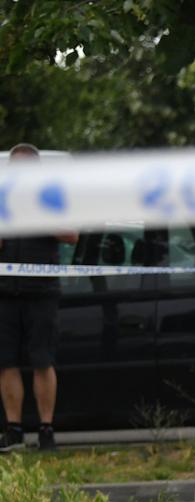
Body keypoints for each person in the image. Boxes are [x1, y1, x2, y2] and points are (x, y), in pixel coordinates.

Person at [0, 144, 76, 453]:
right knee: (5, 362)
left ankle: (46, 429)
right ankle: (14, 430)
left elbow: (71, 234)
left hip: (42, 291)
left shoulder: (51, 196)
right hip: (5, 292)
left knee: (43, 361)